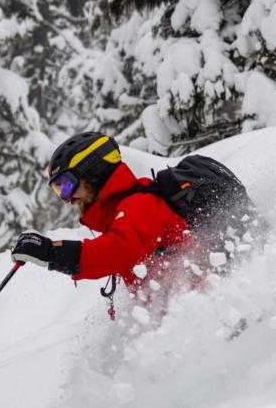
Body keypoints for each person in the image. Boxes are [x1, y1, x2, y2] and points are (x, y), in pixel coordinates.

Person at [11, 132, 205, 315]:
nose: (67, 198)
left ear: (93, 171)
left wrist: (51, 252)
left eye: (67, 185)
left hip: (200, 311)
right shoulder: (121, 216)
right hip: (177, 321)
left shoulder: (140, 204)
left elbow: (121, 250)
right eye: (58, 190)